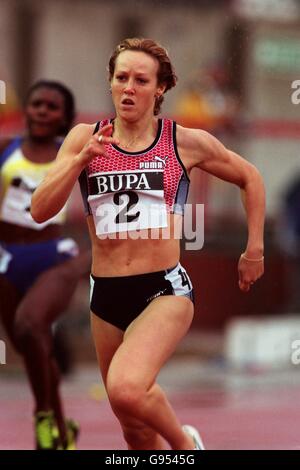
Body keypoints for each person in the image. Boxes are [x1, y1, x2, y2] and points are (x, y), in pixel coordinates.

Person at [31, 39, 265, 450]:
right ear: (110, 83)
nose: (129, 88)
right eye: (121, 78)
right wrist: (77, 161)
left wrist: (254, 250)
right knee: (134, 428)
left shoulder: (182, 141)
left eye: (141, 80)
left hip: (164, 289)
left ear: (160, 89)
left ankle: (187, 448)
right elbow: (39, 209)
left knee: (125, 389)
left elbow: (251, 178)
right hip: (105, 295)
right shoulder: (85, 139)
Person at [0, 80, 91, 450]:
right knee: (30, 345)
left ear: (64, 118)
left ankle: (43, 417)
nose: (41, 111)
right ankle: (61, 428)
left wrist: (87, 258)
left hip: (53, 256)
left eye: (51, 107)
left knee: (31, 323)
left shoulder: (75, 156)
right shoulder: (7, 150)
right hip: (7, 257)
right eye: (36, 103)